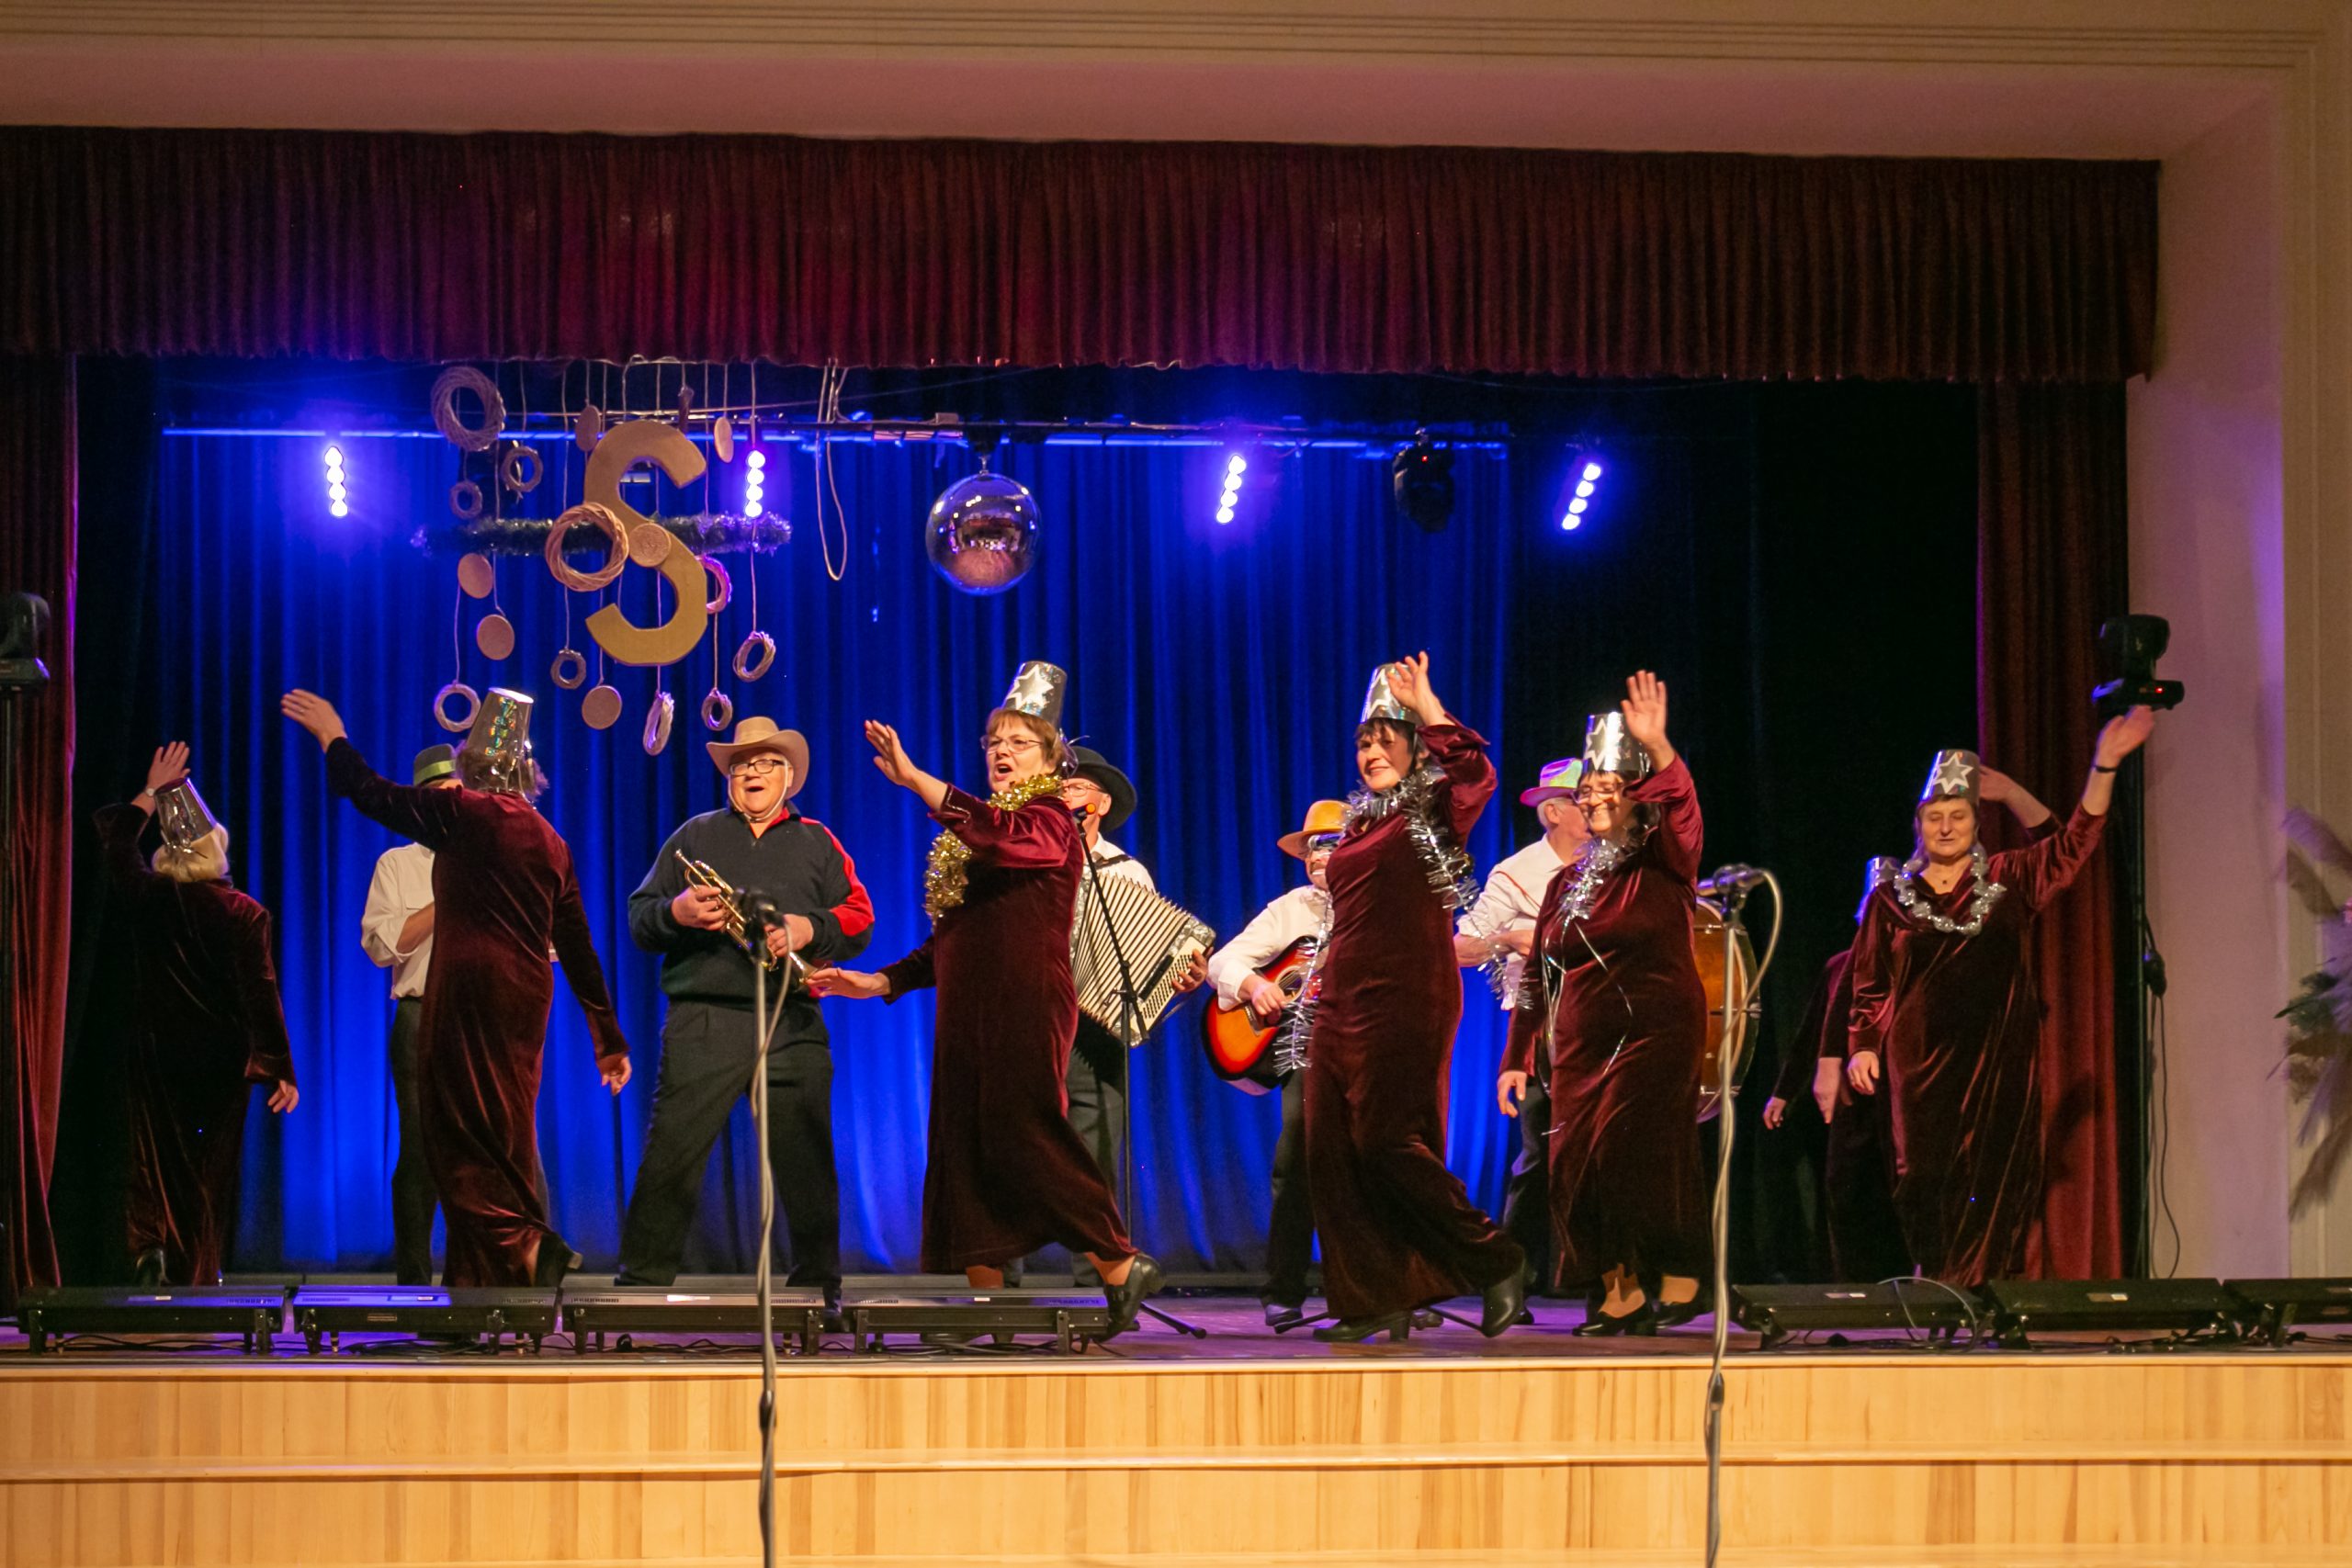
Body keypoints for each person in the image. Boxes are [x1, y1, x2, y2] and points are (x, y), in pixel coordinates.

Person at [808, 662, 1162, 1335]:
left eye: (1019, 742)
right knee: (962, 1145)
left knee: (1024, 1133)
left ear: (1052, 760)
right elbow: (958, 937)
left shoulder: (1050, 818)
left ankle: (1119, 1262)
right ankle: (986, 1303)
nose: (1001, 751)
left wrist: (918, 779)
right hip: (967, 1011)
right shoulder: (981, 834)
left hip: (1024, 1002)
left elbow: (1002, 835)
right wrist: (880, 981)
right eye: (994, 741)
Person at [282, 686, 630, 1287]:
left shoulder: (460, 813)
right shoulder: (552, 842)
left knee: (451, 1139)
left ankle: (526, 1244)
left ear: (471, 768)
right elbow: (578, 949)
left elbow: (370, 793)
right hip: (524, 1004)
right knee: (505, 1137)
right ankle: (472, 1291)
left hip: (467, 993)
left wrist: (333, 736)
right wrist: (608, 1039)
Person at [1845, 711, 2154, 1284]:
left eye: (1957, 815)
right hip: (1918, 1064)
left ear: (1976, 820)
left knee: (1991, 1178)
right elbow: (1871, 980)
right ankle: (1937, 1280)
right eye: (1934, 817)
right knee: (1922, 1177)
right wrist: (1863, 1044)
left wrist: (2104, 764)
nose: (1945, 828)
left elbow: (2074, 840)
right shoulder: (1891, 897)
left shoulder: (2011, 878)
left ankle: (1977, 1295)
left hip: (1998, 1057)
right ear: (1919, 824)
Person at [616, 716, 874, 1314]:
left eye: (765, 763)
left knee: (807, 1160)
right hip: (705, 1017)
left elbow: (860, 918)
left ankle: (818, 1294)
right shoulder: (695, 835)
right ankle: (639, 1291)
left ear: (789, 776)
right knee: (672, 1155)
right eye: (741, 765)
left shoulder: (818, 840)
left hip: (791, 1017)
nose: (752, 772)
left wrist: (808, 928)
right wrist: (677, 912)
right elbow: (639, 917)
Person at [1302, 654, 1523, 1342]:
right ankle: (1376, 1297)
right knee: (1330, 1149)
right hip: (1342, 999)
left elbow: (1477, 776)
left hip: (1406, 996)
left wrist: (1428, 707)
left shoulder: (1433, 810)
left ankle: (1495, 1257)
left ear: (1415, 746)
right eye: (1363, 742)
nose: (1371, 751)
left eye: (1385, 739)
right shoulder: (1361, 824)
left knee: (1387, 1140)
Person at [1504, 674, 1706, 1335]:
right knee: (1577, 1166)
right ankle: (1620, 1292)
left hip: (1654, 1034)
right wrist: (1516, 1056)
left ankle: (1681, 1273)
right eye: (1585, 789)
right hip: (1580, 1045)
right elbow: (1539, 974)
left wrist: (1659, 746)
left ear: (1636, 798)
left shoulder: (1664, 860)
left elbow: (1683, 809)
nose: (1590, 796)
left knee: (1629, 1156)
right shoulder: (1565, 882)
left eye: (1606, 787)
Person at [97, 744, 298, 1285]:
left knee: (153, 1159)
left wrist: (149, 791)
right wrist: (279, 1067)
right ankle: (194, 1276)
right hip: (217, 1063)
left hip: (155, 1055)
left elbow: (117, 843)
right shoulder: (243, 914)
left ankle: (151, 1246)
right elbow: (260, 992)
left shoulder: (149, 898)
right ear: (216, 850)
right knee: (205, 1172)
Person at [1049, 743, 1205, 1283]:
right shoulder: (1035, 854)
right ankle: (1001, 1284)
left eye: (1074, 787)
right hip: (1038, 1013)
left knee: (1095, 1149)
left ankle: (1097, 1279)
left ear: (1101, 803)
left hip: (1095, 1029)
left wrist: (1179, 978)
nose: (1063, 794)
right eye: (1059, 786)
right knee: (1017, 1142)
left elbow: (1154, 948)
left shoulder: (1126, 870)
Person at [1204, 799, 1342, 1327]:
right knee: (1296, 1166)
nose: (1317, 858)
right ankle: (1283, 1288)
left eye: (1328, 846)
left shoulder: (1380, 903)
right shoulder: (1293, 907)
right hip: (1306, 1050)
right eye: (1311, 850)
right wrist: (1255, 985)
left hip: (1364, 1047)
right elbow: (1223, 960)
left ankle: (1384, 1290)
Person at [1467, 756, 1589, 1292]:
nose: (1598, 807)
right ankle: (1511, 1278)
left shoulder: (1611, 865)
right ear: (1555, 812)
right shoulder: (1518, 872)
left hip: (1603, 1020)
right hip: (1542, 1028)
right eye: (1584, 799)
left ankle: (1600, 1280)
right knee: (1541, 1154)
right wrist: (1509, 940)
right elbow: (1460, 945)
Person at [358, 743, 461, 1285]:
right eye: (440, 796)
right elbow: (381, 946)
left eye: (458, 794)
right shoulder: (397, 864)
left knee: (478, 1152)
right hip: (421, 1015)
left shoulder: (493, 856)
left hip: (477, 1020)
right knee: (420, 1150)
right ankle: (415, 1285)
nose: (451, 805)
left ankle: (475, 1284)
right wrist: (445, 895)